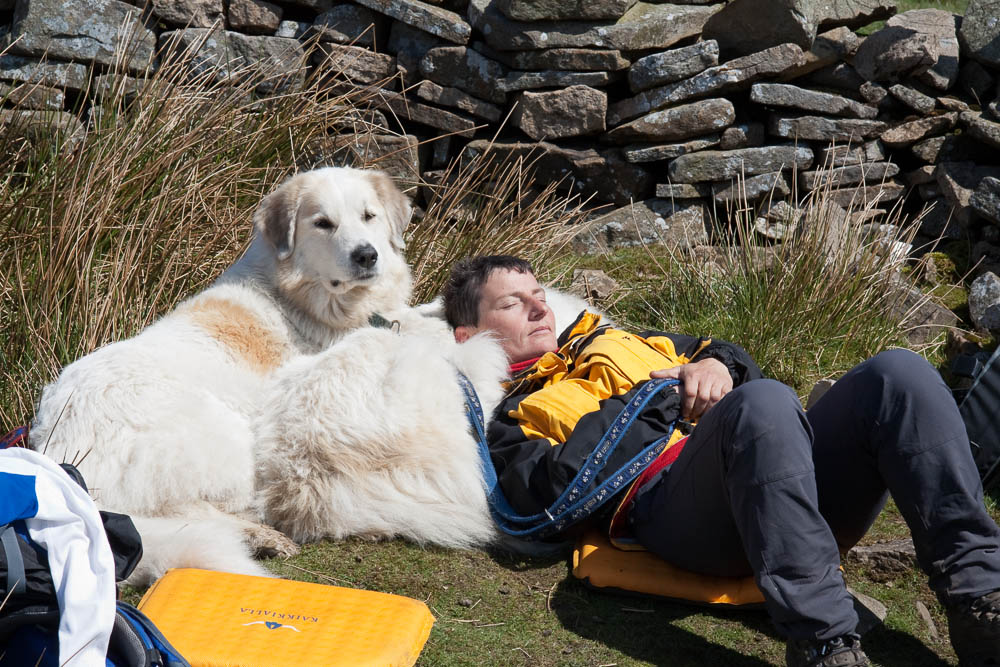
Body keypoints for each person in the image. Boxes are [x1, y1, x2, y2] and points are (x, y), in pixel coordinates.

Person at [442, 254, 1000, 667]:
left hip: (787, 477)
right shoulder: (514, 415)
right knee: (764, 401)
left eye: (540, 292)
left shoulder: (622, 340)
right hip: (683, 514)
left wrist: (720, 367)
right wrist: (657, 400)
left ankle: (980, 601)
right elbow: (546, 495)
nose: (541, 304)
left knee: (899, 374)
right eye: (514, 303)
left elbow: (724, 353)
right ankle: (826, 641)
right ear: (470, 333)